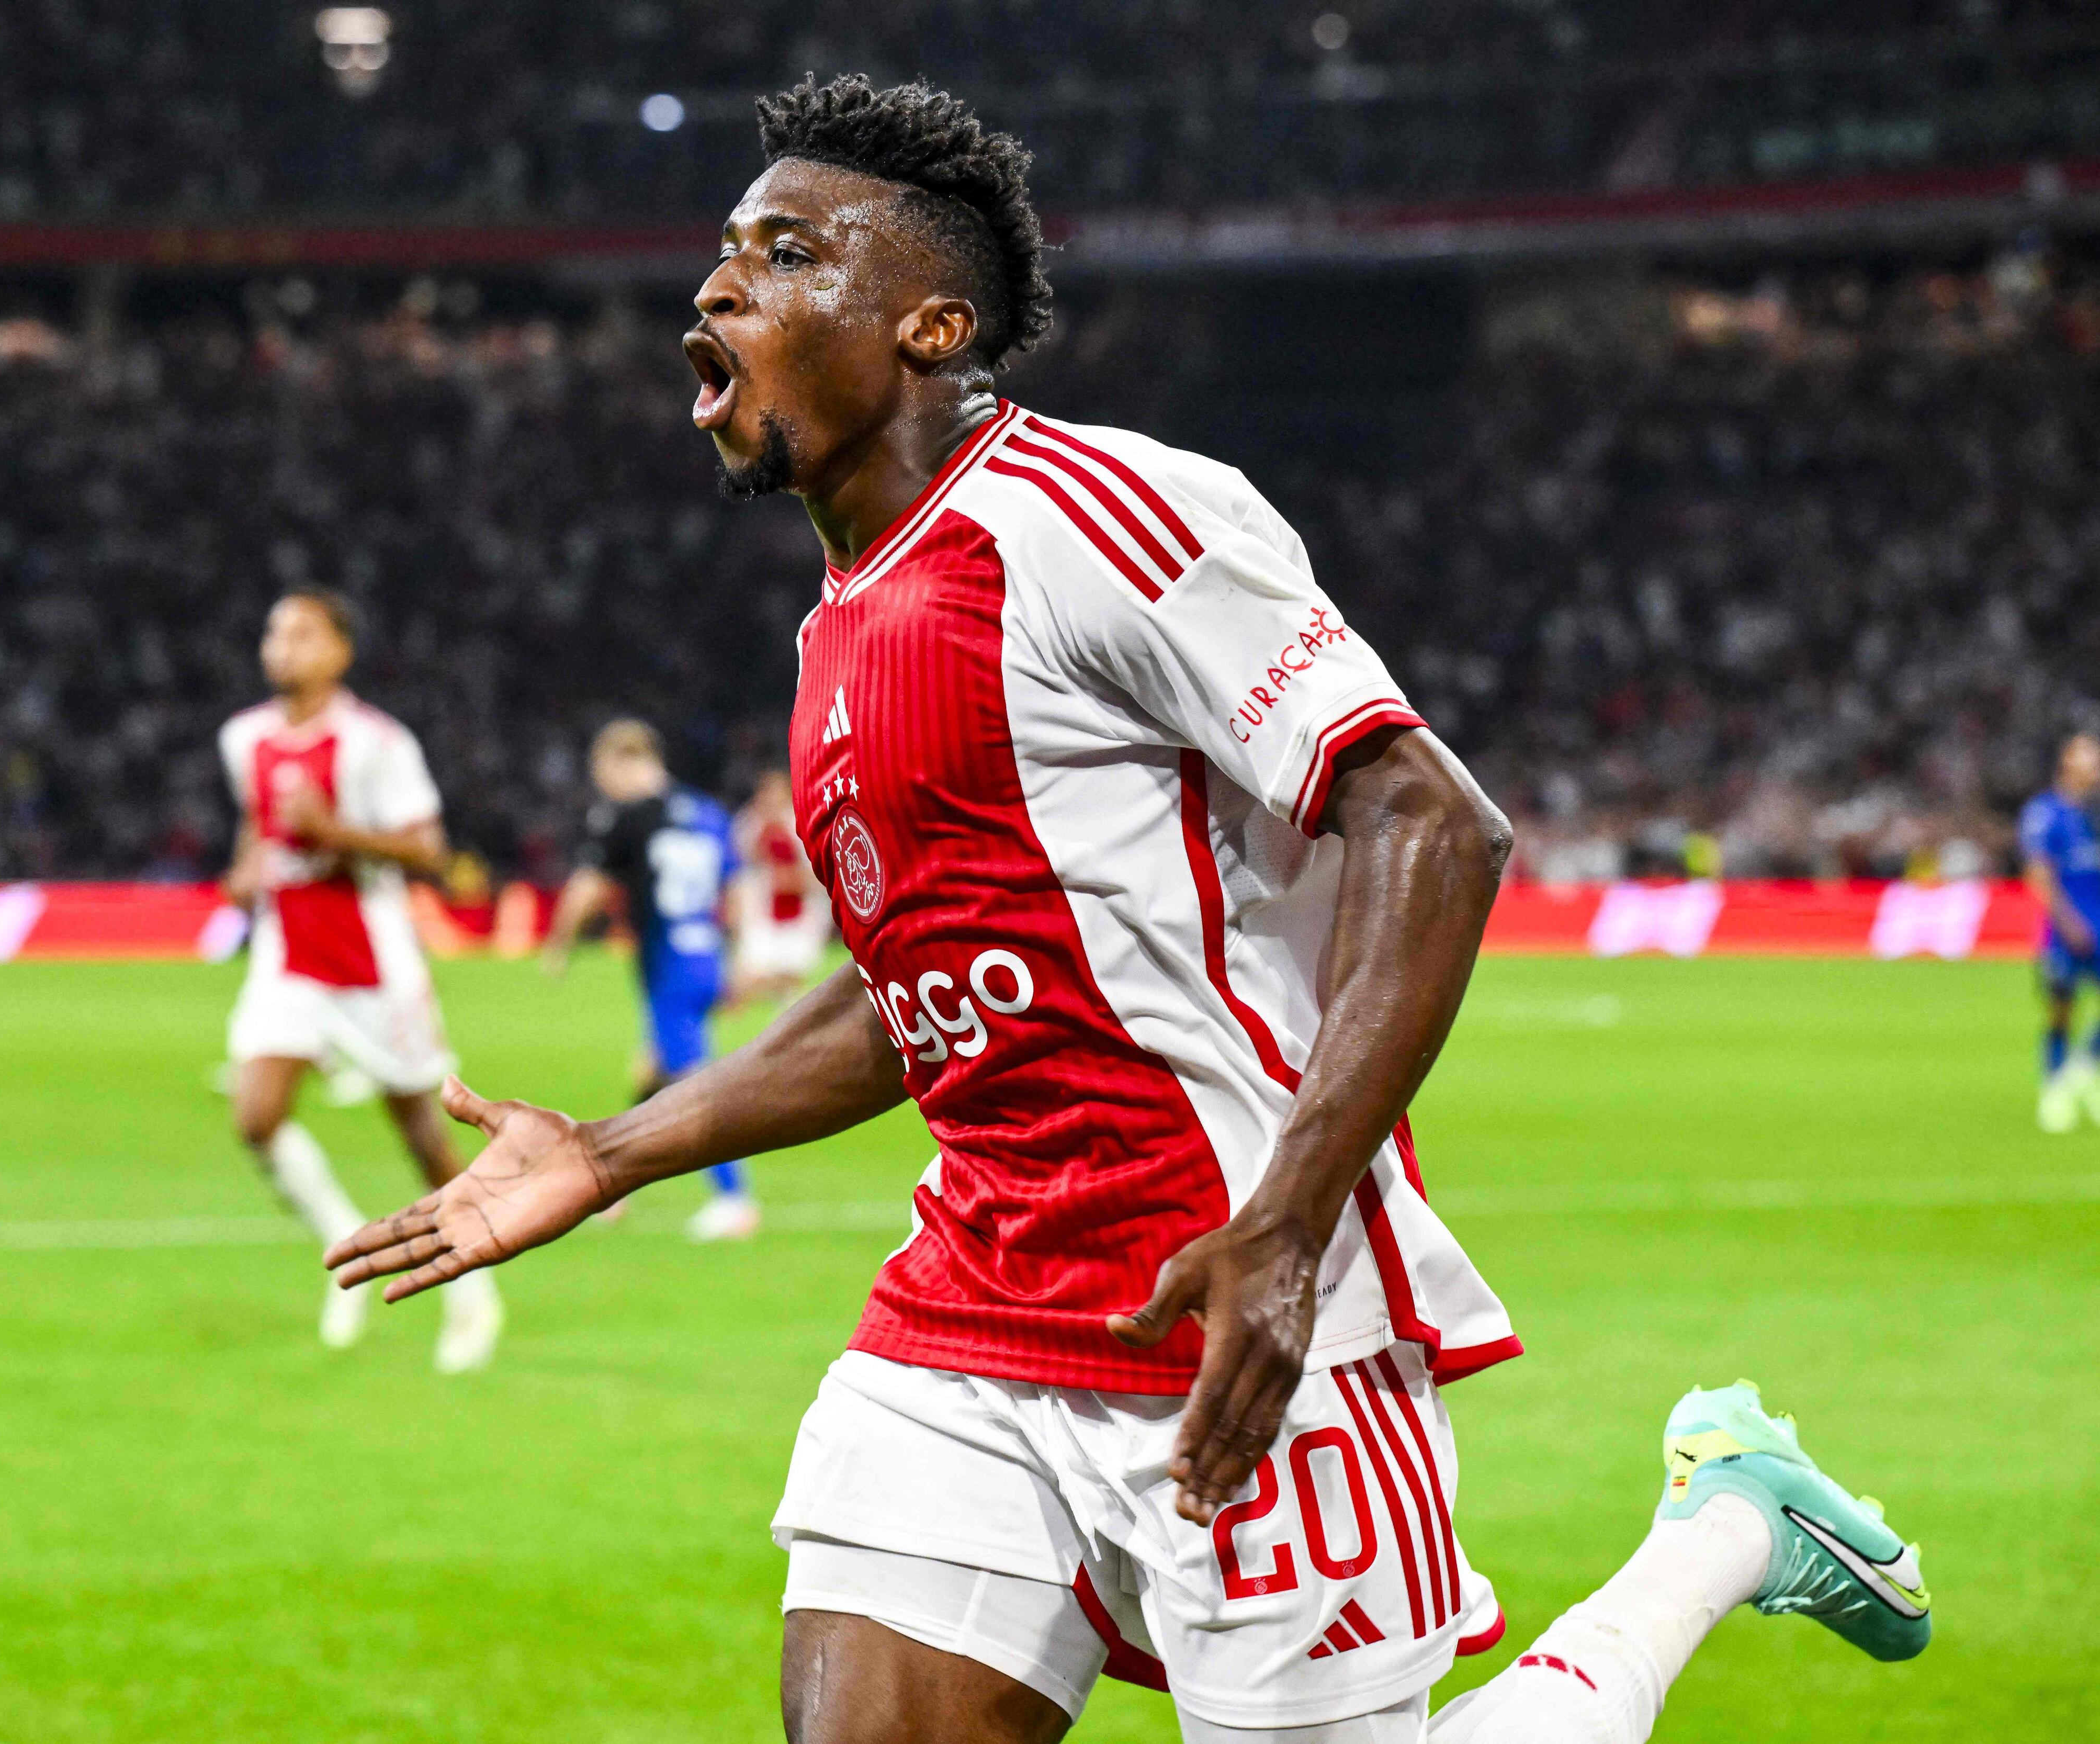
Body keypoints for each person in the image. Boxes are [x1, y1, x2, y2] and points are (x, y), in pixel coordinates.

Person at [328, 76, 1930, 1742]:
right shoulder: (837, 633)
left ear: (930, 325)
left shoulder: (1088, 520)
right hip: (971, 1308)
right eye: (721, 257)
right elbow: (914, 994)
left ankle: (1726, 1523)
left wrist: (1291, 1224)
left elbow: (1430, 820)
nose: (716, 291)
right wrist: (612, 1150)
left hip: (1231, 1292)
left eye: (784, 254)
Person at [218, 590, 502, 1371]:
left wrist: (332, 833)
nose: (283, 646)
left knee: (421, 1133)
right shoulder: (244, 738)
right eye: (275, 631)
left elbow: (428, 851)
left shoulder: (377, 742)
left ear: (340, 652)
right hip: (288, 958)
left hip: (372, 965)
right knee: (256, 1116)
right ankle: (348, 1248)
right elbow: (256, 825)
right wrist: (246, 873)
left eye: (304, 633)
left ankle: (472, 1288)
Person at [541, 719, 759, 1242]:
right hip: (705, 956)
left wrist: (557, 945)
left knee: (695, 1085)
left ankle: (735, 1199)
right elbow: (741, 885)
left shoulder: (626, 816)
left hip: (668, 968)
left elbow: (589, 887)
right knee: (652, 1075)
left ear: (618, 764)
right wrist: (742, 958)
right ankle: (612, 1187)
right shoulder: (705, 811)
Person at [2021, 730, 2100, 1132]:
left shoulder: (2095, 815)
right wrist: (2068, 923)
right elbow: (2038, 873)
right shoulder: (2046, 812)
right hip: (2066, 932)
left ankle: (2084, 1069)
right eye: (2090, 758)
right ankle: (2054, 1091)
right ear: (2068, 762)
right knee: (2061, 1011)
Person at [732, 767, 836, 1006]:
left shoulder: (800, 823)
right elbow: (743, 868)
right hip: (763, 911)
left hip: (801, 913)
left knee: (794, 972)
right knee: (753, 974)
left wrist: (792, 881)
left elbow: (818, 873)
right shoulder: (750, 825)